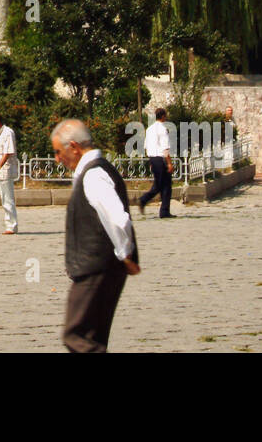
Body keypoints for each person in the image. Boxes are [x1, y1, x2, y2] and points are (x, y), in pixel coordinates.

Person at [50, 119, 140, 353]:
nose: (57, 159)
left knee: (76, 335)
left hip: (97, 269)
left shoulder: (94, 175)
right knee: (93, 337)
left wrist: (125, 254)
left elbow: (117, 219)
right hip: (101, 268)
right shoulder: (93, 171)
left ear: (74, 147)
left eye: (59, 152)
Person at [136, 107, 174, 218]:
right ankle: (143, 200)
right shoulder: (162, 129)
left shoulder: (149, 129)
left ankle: (164, 210)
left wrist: (151, 162)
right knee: (160, 185)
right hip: (161, 159)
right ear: (163, 116)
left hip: (153, 158)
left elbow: (147, 147)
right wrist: (169, 163)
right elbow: (165, 148)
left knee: (166, 185)